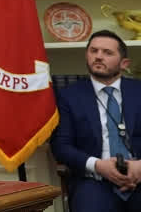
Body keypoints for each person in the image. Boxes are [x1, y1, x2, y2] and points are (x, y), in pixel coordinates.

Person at [52, 30, 141, 210]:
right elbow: (61, 146)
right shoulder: (69, 96)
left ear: (124, 63)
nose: (98, 56)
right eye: (94, 51)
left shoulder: (138, 91)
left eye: (107, 52)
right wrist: (98, 165)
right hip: (93, 181)